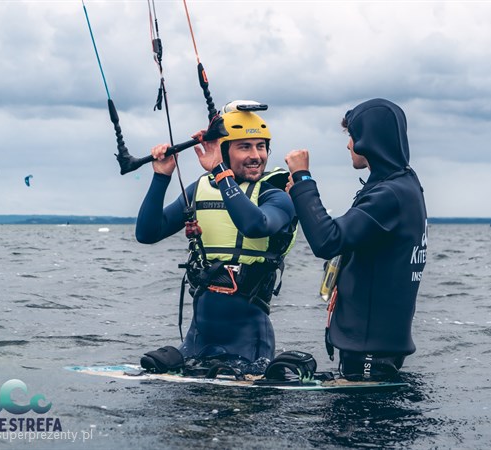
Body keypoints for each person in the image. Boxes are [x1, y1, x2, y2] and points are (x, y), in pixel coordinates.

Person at [135, 102, 297, 374]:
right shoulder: (201, 189)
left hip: (250, 349)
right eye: (244, 146)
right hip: (196, 343)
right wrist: (161, 176)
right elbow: (147, 233)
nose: (256, 155)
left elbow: (255, 225)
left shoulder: (276, 195)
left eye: (261, 146)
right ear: (224, 150)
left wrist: (221, 173)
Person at [284, 98, 428, 381]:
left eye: (352, 136)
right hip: (377, 346)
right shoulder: (405, 183)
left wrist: (302, 180)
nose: (349, 144)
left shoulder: (390, 196)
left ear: (368, 140)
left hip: (369, 352)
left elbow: (327, 240)